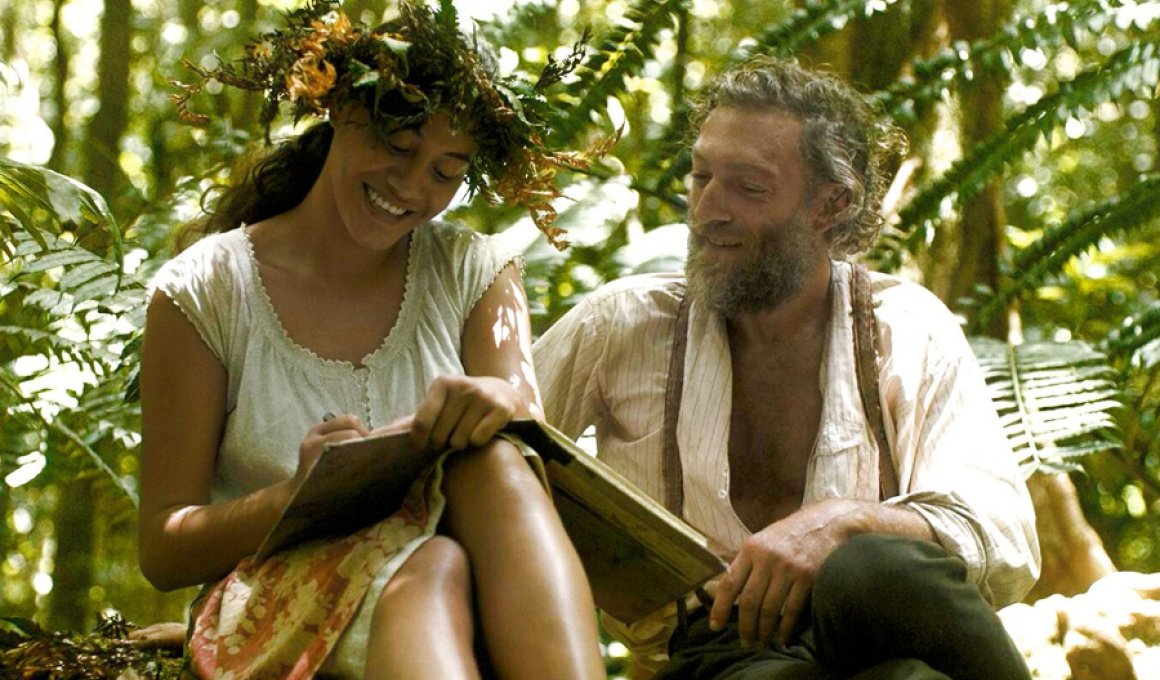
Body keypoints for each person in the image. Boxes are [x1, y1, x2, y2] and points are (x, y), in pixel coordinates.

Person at [137, 2, 605, 678]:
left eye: (445, 171)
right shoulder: (206, 288)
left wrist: (499, 400)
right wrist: (293, 497)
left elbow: (527, 453)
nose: (412, 186)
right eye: (399, 145)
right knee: (429, 566)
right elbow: (163, 549)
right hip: (284, 594)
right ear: (339, 108)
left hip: (470, 582)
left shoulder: (475, 271)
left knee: (496, 465)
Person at [533, 56, 1040, 679]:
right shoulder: (621, 324)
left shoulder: (905, 326)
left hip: (877, 623)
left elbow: (1005, 537)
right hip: (716, 654)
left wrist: (842, 523)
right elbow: (492, 457)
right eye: (700, 177)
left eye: (748, 187)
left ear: (831, 204)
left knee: (872, 567)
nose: (707, 210)